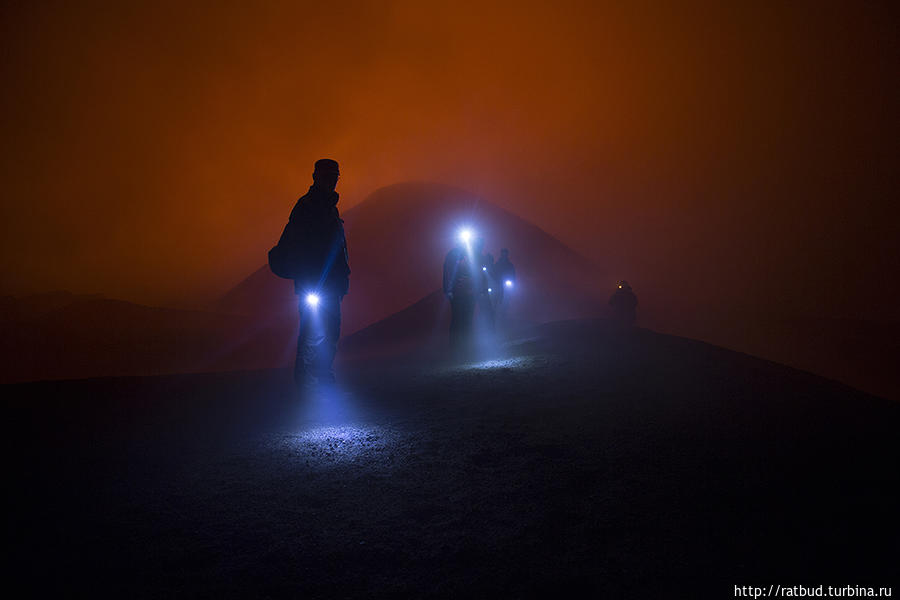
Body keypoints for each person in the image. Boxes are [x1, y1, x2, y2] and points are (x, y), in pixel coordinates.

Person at [273, 158, 350, 389]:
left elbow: (336, 247)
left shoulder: (329, 208)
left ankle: (321, 381)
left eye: (335, 176)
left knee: (329, 332)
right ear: (316, 177)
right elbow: (298, 245)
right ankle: (307, 385)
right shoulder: (306, 207)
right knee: (312, 332)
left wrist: (342, 278)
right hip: (314, 284)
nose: (332, 180)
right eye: (328, 176)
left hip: (330, 284)